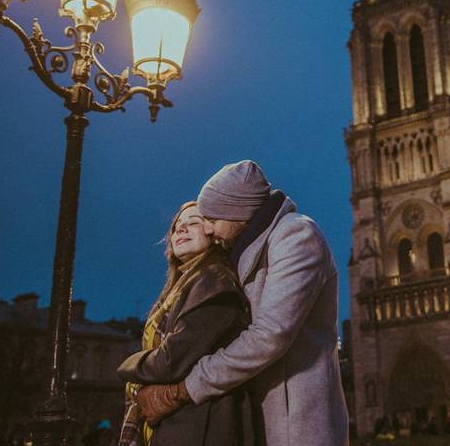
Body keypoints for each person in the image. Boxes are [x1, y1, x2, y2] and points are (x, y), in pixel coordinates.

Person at [136, 161, 349, 445]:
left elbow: (269, 335)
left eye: (211, 219)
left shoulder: (295, 235)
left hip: (294, 421)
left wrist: (183, 391)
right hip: (257, 417)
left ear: (237, 211)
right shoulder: (242, 249)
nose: (208, 230)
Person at [117, 202, 253, 446]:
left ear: (214, 233)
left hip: (201, 425)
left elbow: (172, 360)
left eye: (193, 223)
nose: (181, 230)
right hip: (182, 422)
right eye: (177, 227)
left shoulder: (214, 281)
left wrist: (128, 365)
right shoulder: (183, 287)